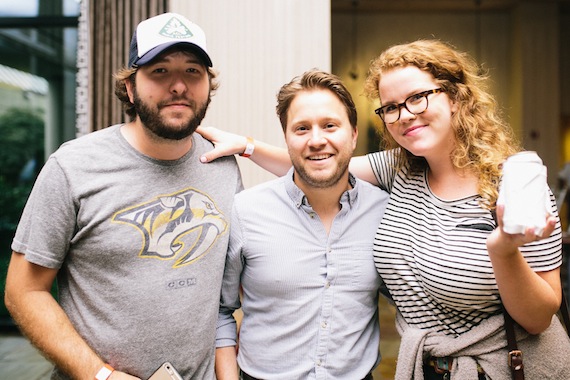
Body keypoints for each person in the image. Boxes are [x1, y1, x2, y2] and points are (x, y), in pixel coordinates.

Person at [198, 39, 570, 379]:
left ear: (456, 98)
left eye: (418, 97)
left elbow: (539, 318)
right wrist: (246, 145)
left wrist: (503, 251)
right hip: (425, 369)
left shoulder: (512, 181)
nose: (405, 114)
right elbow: (322, 165)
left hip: (496, 370)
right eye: (391, 107)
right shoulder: (400, 168)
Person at [4, 12, 242, 380]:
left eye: (193, 71)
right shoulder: (74, 166)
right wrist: (101, 375)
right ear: (130, 87)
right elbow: (24, 292)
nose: (178, 86)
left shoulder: (222, 165)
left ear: (208, 85)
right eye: (159, 71)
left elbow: (226, 300)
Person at [214, 69, 390, 380]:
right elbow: (219, 312)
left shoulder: (384, 212)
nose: (317, 140)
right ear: (286, 138)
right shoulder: (246, 210)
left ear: (353, 134)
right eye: (301, 128)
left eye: (330, 126)